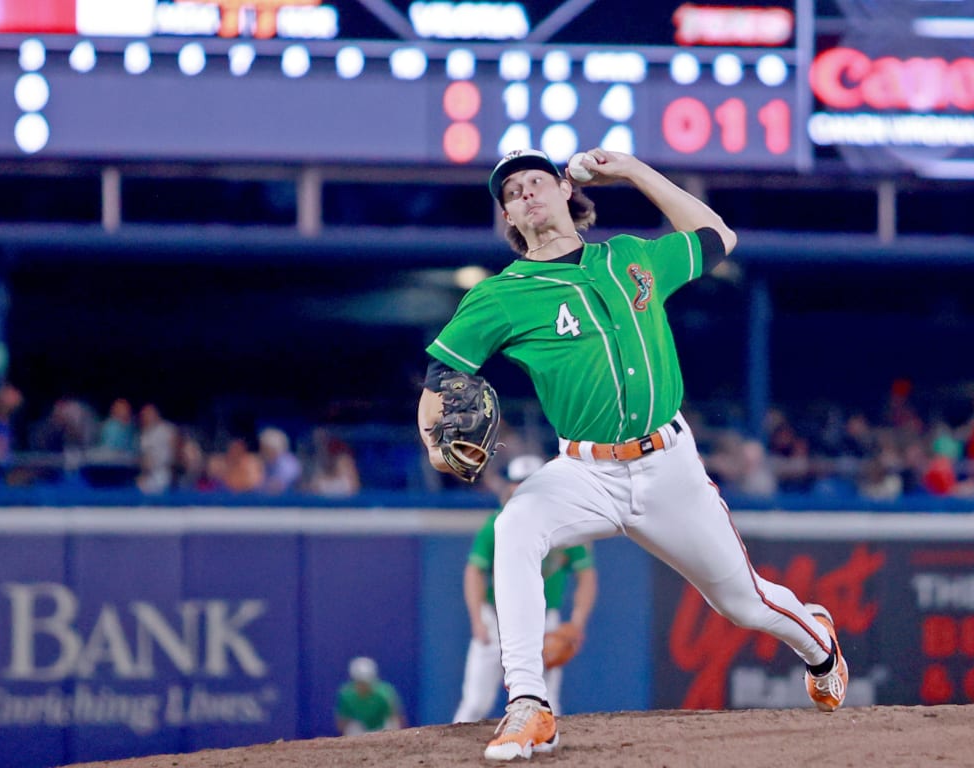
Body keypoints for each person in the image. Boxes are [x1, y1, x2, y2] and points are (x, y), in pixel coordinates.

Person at [417, 148, 847, 762]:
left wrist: (635, 172)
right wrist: (437, 449)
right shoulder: (500, 296)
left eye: (537, 181)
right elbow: (437, 384)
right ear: (508, 216)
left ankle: (819, 644)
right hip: (583, 472)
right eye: (511, 192)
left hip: (668, 466)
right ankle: (529, 705)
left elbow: (717, 235)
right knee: (515, 525)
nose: (525, 194)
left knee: (743, 603)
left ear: (567, 190)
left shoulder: (630, 258)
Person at [454, 454, 598, 724]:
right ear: (508, 486)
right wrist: (477, 620)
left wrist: (577, 622)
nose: (520, 488)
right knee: (474, 705)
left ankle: (549, 757)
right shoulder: (498, 523)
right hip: (495, 619)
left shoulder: (564, 523)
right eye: (517, 482)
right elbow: (474, 571)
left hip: (544, 622)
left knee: (548, 702)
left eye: (528, 482)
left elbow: (586, 575)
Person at [334, 656, 405, 736]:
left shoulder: (383, 694)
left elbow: (395, 716)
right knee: (352, 727)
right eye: (360, 682)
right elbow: (342, 722)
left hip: (381, 728)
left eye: (366, 682)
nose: (363, 686)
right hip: (360, 730)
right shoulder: (346, 695)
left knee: (392, 724)